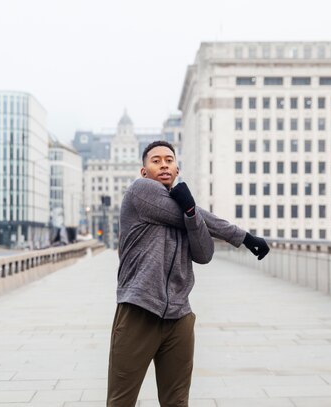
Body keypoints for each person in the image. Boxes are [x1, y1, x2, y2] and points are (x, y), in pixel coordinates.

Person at [107, 140, 270, 406]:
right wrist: (242, 236)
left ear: (177, 168)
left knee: (177, 401)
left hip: (179, 316)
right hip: (139, 309)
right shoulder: (140, 191)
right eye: (156, 160)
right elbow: (184, 213)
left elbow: (204, 254)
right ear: (143, 170)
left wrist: (192, 213)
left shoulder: (183, 210)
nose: (163, 165)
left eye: (169, 160)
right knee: (121, 401)